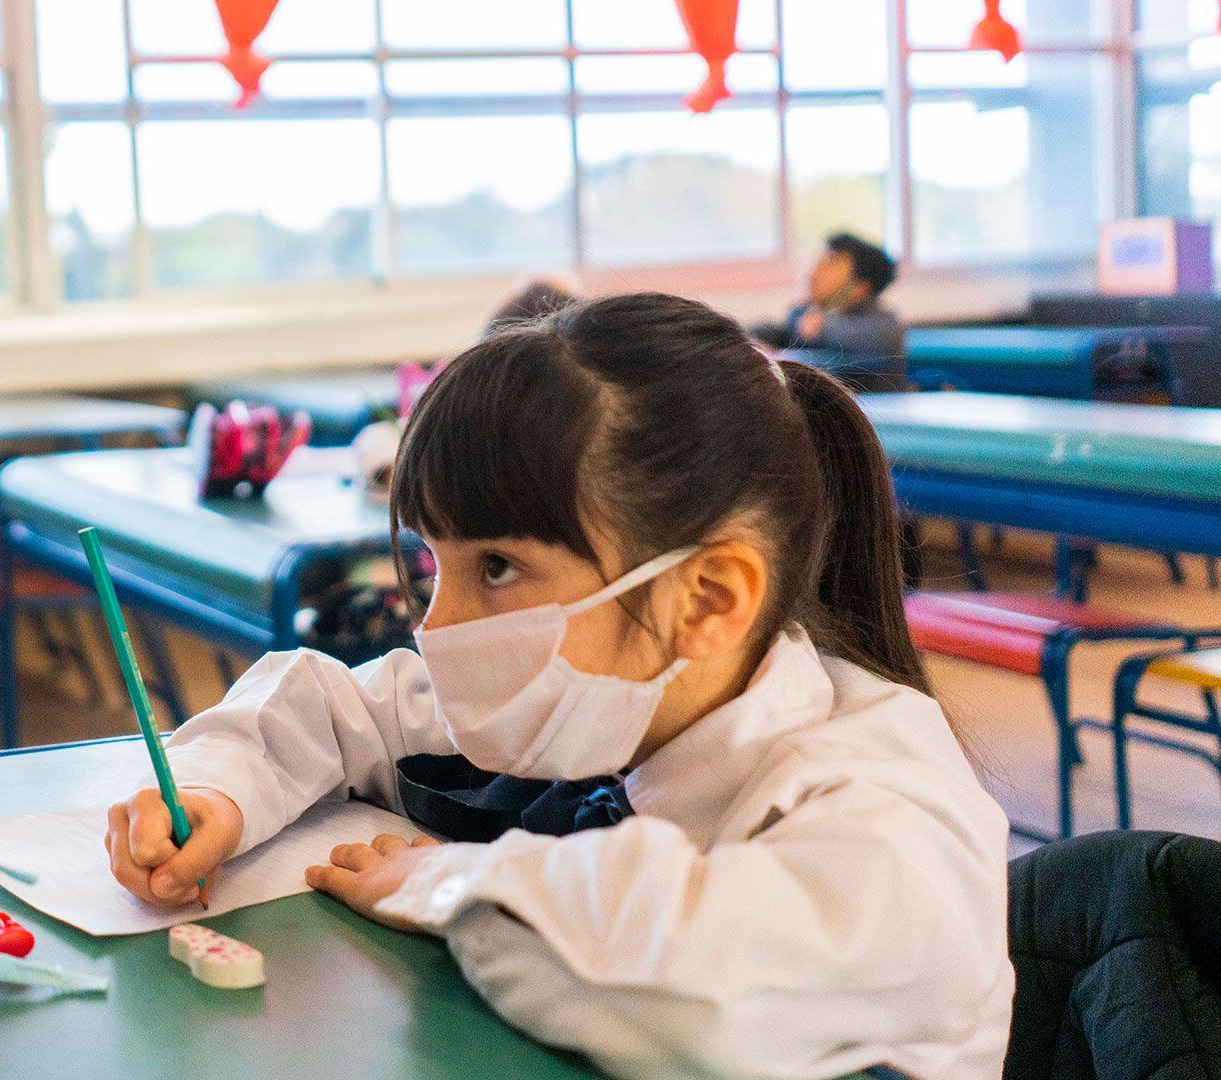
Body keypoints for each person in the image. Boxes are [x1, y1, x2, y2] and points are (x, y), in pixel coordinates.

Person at [105, 293, 1011, 1079]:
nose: (439, 626)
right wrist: (216, 787)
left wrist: (440, 882)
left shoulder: (888, 812)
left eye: (498, 567)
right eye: (434, 563)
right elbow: (343, 707)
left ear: (707, 598)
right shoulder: (621, 691)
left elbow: (692, 989)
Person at [759, 232, 905, 362]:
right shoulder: (802, 315)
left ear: (860, 287)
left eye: (831, 261)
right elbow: (780, 333)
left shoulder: (883, 327)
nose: (815, 268)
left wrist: (821, 327)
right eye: (819, 259)